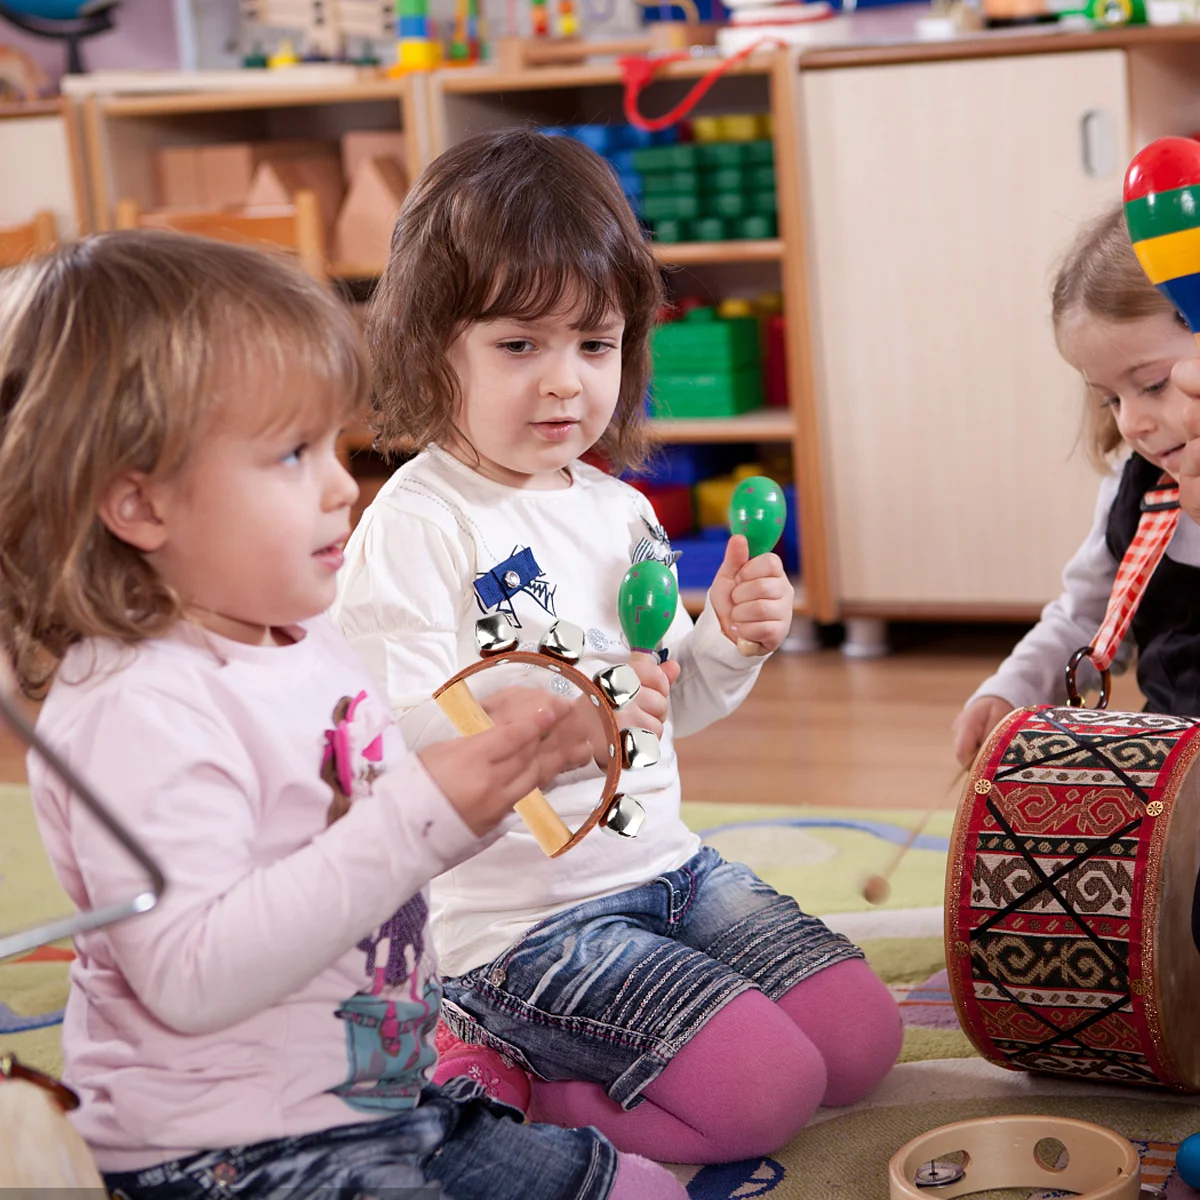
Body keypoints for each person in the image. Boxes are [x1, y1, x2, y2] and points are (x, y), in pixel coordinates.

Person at [0, 231, 688, 1200]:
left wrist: (515, 748)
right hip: (229, 1152)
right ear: (138, 505)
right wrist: (424, 813)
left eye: (331, 444)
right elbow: (193, 974)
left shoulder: (301, 633)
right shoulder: (133, 709)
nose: (340, 484)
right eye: (289, 455)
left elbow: (356, 821)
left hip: (380, 1095)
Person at [332, 128, 902, 1166]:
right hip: (522, 927)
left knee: (861, 1045)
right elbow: (396, 752)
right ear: (429, 348)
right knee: (768, 1095)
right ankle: (510, 1074)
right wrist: (563, 719)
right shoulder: (416, 527)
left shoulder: (620, 511)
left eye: (593, 345)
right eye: (519, 346)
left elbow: (665, 707)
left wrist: (725, 643)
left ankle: (598, 1049)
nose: (565, 385)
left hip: (667, 868)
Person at [953, 204, 1200, 768]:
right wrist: (1012, 689)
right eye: (1111, 397)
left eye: (1154, 385)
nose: (1130, 421)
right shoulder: (1133, 489)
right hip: (1172, 770)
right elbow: (1088, 618)